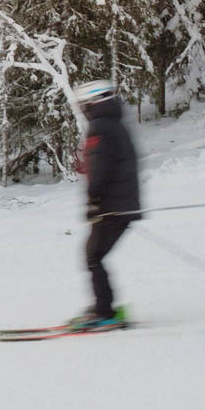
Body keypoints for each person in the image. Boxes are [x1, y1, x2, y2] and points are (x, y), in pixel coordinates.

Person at [69, 80, 141, 330]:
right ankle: (103, 307)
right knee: (95, 255)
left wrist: (94, 201)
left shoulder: (99, 127)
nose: (82, 109)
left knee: (93, 256)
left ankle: (104, 313)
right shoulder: (115, 125)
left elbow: (100, 169)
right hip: (122, 205)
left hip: (111, 207)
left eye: (82, 105)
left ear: (91, 103)